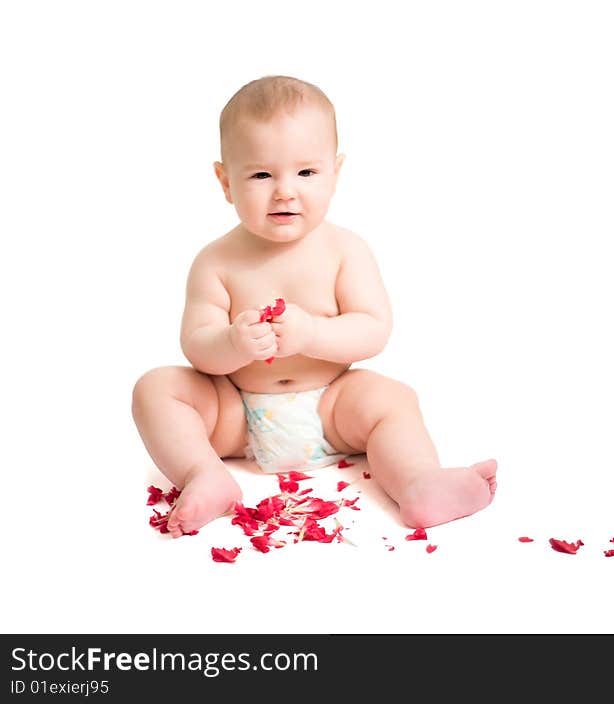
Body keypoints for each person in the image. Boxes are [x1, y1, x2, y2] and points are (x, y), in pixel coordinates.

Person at [131, 75, 497, 538]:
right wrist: (232, 342)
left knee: (392, 399)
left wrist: (312, 335)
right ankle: (204, 473)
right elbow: (197, 347)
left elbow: (373, 329)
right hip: (236, 415)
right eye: (262, 174)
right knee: (157, 388)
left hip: (332, 408)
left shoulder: (346, 250)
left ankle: (418, 482)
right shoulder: (215, 261)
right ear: (225, 181)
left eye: (306, 173)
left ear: (335, 173)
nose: (285, 190)